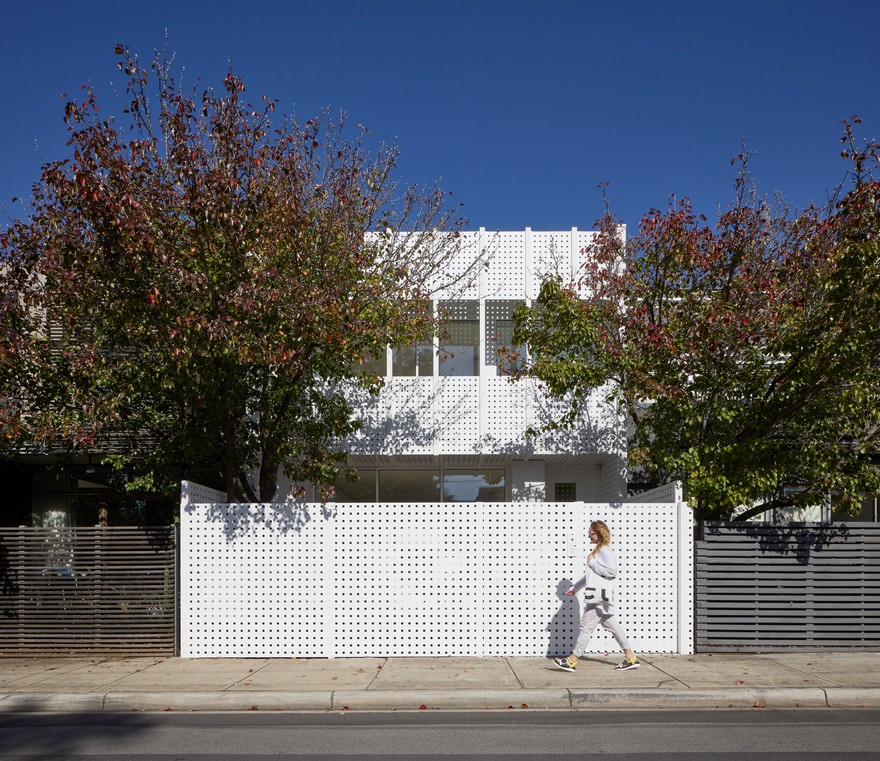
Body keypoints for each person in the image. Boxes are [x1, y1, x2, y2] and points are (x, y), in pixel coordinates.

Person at [552, 520, 640, 672]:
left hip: (597, 599)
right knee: (612, 625)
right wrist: (575, 588)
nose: (588, 536)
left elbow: (612, 571)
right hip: (598, 597)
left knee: (586, 627)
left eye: (591, 533)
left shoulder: (604, 550)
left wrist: (592, 563)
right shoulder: (598, 550)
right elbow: (591, 577)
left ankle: (572, 660)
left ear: (599, 533)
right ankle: (630, 657)